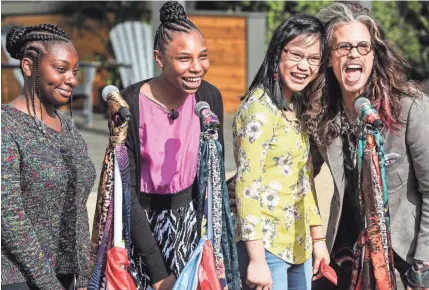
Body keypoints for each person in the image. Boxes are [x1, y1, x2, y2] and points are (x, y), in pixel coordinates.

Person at [306, 2, 429, 289]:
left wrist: (423, 263)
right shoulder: (322, 113)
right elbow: (300, 171)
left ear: (374, 55)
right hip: (347, 251)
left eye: (363, 47)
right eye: (344, 47)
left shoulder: (410, 107)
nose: (354, 54)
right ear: (328, 58)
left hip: (402, 257)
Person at [122, 2, 232, 290]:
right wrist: (157, 271)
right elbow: (126, 192)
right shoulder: (129, 104)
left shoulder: (208, 97)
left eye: (203, 56)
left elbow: (213, 178)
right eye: (184, 59)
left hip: (192, 224)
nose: (197, 68)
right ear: (159, 58)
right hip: (141, 227)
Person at [232, 14, 330, 290]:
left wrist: (318, 240)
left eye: (313, 59)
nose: (304, 66)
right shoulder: (258, 110)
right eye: (297, 54)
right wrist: (256, 259)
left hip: (297, 244)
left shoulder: (295, 107)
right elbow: (247, 185)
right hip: (267, 247)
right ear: (278, 54)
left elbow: (305, 179)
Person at [1, 24, 95, 290]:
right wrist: (46, 282)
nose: (72, 80)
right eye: (61, 69)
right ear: (29, 66)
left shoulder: (67, 127)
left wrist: (83, 277)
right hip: (16, 276)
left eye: (75, 72)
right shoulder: (5, 126)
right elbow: (8, 215)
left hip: (65, 275)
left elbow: (78, 208)